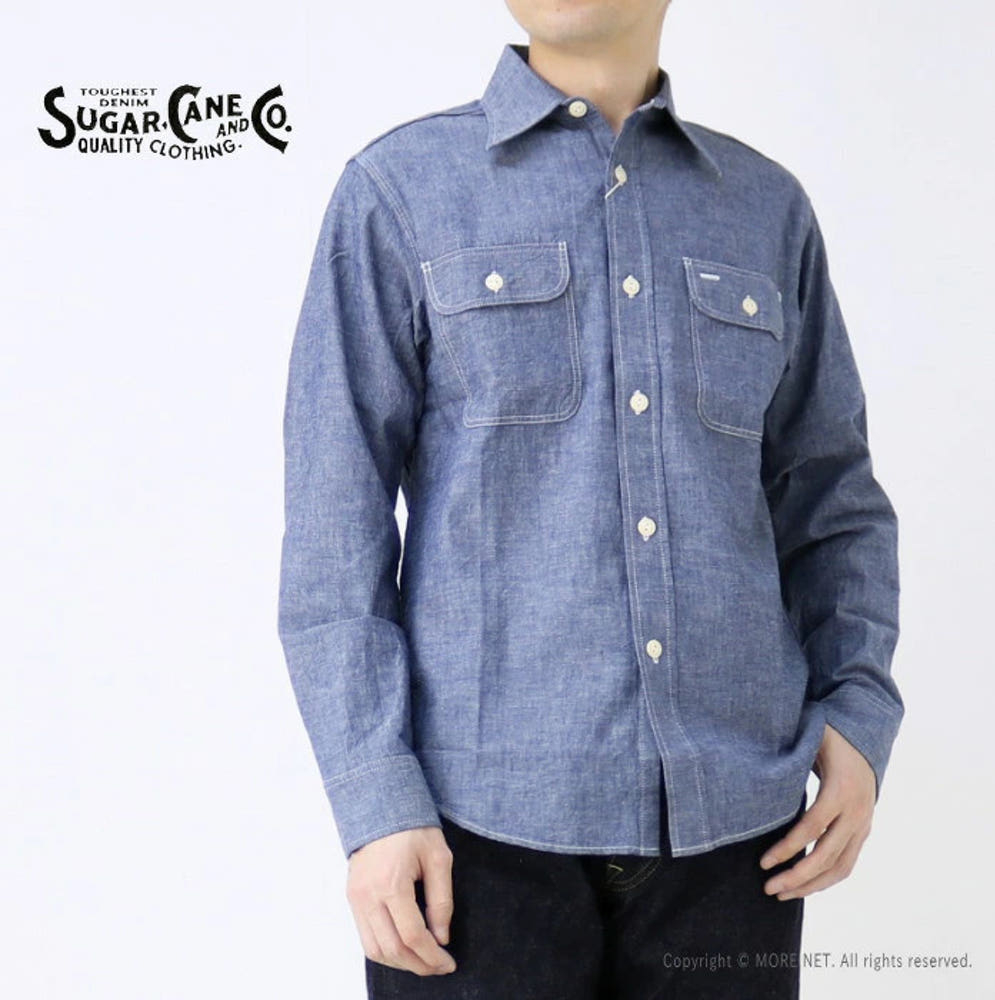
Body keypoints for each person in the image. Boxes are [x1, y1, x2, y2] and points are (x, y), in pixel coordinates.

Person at [277, 2, 905, 996]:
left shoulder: (765, 208)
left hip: (736, 839)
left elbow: (832, 496)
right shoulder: (399, 192)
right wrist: (376, 802)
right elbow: (333, 532)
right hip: (471, 844)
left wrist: (858, 713)